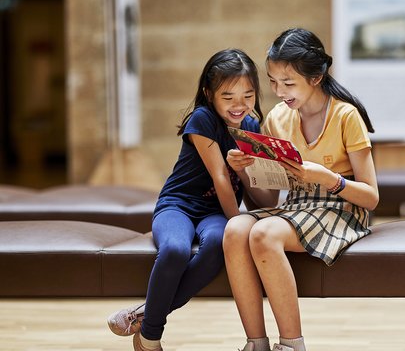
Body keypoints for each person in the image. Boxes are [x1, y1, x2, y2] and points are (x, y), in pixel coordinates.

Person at [107, 49, 275, 351]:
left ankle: (145, 320)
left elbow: (258, 192)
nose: (239, 105)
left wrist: (250, 180)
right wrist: (237, 222)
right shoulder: (202, 119)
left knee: (215, 246)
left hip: (214, 213)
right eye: (228, 97)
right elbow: (221, 178)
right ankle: (152, 337)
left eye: (248, 96)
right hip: (178, 206)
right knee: (174, 250)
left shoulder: (251, 127)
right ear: (209, 94)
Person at [224, 28, 379, 351]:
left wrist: (326, 177)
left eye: (288, 83)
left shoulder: (345, 115)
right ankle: (256, 343)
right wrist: (248, 172)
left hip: (342, 206)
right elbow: (267, 198)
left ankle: (292, 345)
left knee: (264, 234)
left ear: (316, 77)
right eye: (273, 81)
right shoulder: (278, 119)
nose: (279, 91)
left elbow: (371, 197)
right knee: (236, 228)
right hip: (296, 206)